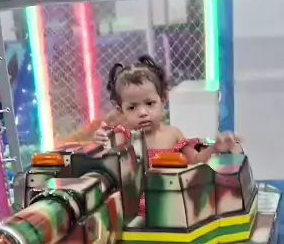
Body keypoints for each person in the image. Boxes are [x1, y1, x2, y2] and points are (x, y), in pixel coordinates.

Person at [93, 55, 243, 215]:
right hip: (133, 210)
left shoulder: (173, 134)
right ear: (121, 110)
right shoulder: (122, 135)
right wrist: (101, 139)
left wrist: (215, 148)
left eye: (149, 103)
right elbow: (105, 157)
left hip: (170, 203)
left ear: (163, 100)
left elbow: (195, 160)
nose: (142, 112)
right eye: (132, 107)